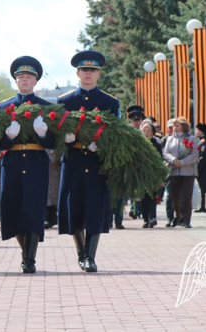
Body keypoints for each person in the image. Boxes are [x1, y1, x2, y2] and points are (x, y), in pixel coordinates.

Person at [0, 56, 55, 274]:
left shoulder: (46, 107)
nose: (24, 80)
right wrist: (8, 137)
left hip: (36, 162)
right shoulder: (3, 107)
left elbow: (55, 140)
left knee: (33, 210)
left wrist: (43, 135)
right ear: (15, 81)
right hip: (12, 162)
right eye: (21, 77)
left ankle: (29, 259)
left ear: (36, 81)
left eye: (29, 77)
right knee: (13, 209)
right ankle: (25, 250)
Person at [58, 50, 120, 273]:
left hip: (97, 164)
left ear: (99, 74)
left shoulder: (109, 102)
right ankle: (81, 253)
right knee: (73, 208)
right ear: (77, 73)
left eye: (92, 70)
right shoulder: (64, 101)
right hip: (73, 161)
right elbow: (56, 135)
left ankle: (90, 257)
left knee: (94, 209)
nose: (88, 73)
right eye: (84, 70)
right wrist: (65, 140)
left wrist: (101, 145)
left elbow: (117, 134)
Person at [163, 117, 199, 228]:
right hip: (174, 171)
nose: (174, 128)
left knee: (186, 196)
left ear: (183, 126)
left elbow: (195, 155)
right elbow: (165, 153)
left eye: (177, 125)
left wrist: (182, 162)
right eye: (174, 126)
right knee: (175, 196)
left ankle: (186, 219)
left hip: (188, 172)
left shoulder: (191, 138)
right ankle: (177, 216)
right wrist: (174, 161)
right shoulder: (170, 139)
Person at [140, 121, 162, 228]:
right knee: (143, 197)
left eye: (148, 131)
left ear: (152, 132)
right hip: (142, 174)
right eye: (144, 131)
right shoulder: (139, 143)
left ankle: (153, 218)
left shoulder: (157, 144)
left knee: (152, 196)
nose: (146, 133)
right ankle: (145, 219)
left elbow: (160, 160)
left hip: (153, 174)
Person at [162, 119, 176, 226]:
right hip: (167, 170)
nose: (172, 129)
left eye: (174, 127)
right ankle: (170, 218)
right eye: (170, 127)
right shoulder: (163, 140)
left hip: (179, 169)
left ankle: (179, 217)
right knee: (169, 195)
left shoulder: (180, 139)